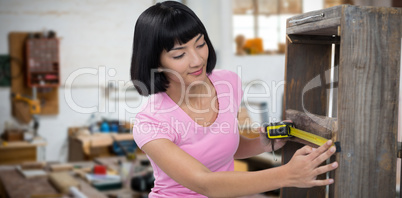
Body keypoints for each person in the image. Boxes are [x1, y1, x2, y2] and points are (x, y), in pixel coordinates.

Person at [130, 1, 338, 197]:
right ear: (155, 63)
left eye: (200, 44)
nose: (197, 60)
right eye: (179, 55)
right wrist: (286, 175)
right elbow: (205, 183)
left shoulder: (227, 83)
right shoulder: (150, 122)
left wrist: (263, 144)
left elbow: (224, 148)